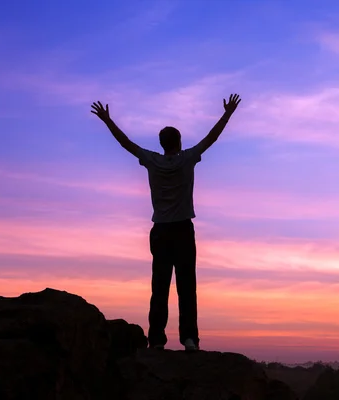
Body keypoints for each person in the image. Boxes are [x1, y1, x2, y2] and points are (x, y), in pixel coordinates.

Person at [91, 94, 242, 351]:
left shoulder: (152, 160)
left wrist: (107, 120)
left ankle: (157, 340)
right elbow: (211, 138)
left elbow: (125, 143)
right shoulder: (187, 158)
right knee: (186, 287)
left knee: (159, 286)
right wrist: (227, 113)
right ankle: (189, 340)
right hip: (183, 229)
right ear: (179, 142)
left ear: (161, 144)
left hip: (160, 230)